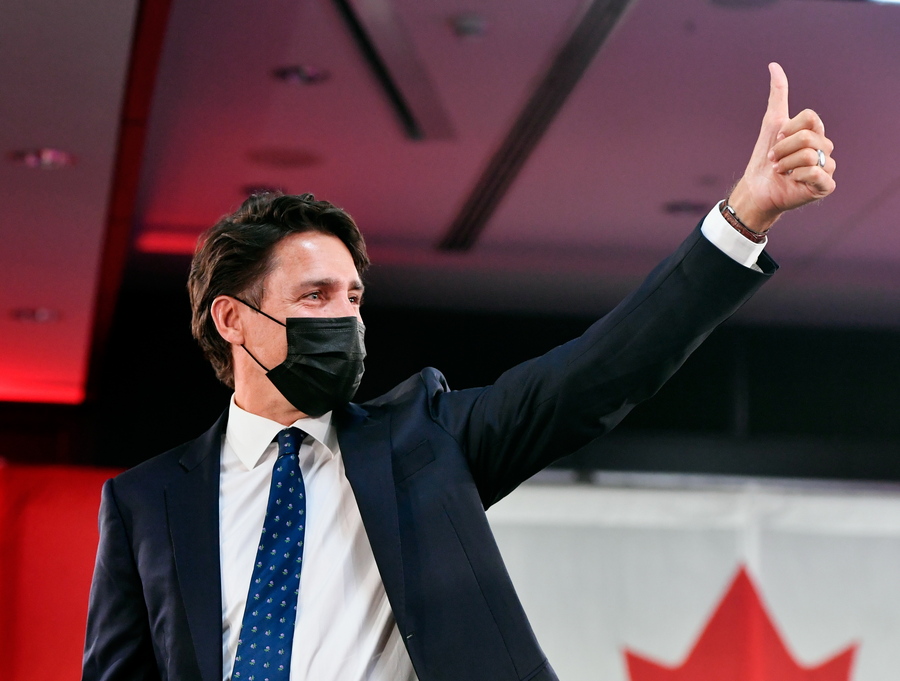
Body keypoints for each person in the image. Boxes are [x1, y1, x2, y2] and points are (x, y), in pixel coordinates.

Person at [82, 63, 835, 681]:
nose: (345, 318)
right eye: (315, 297)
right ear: (231, 319)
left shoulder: (426, 440)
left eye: (353, 297)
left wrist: (744, 217)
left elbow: (598, 374)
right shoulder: (144, 504)